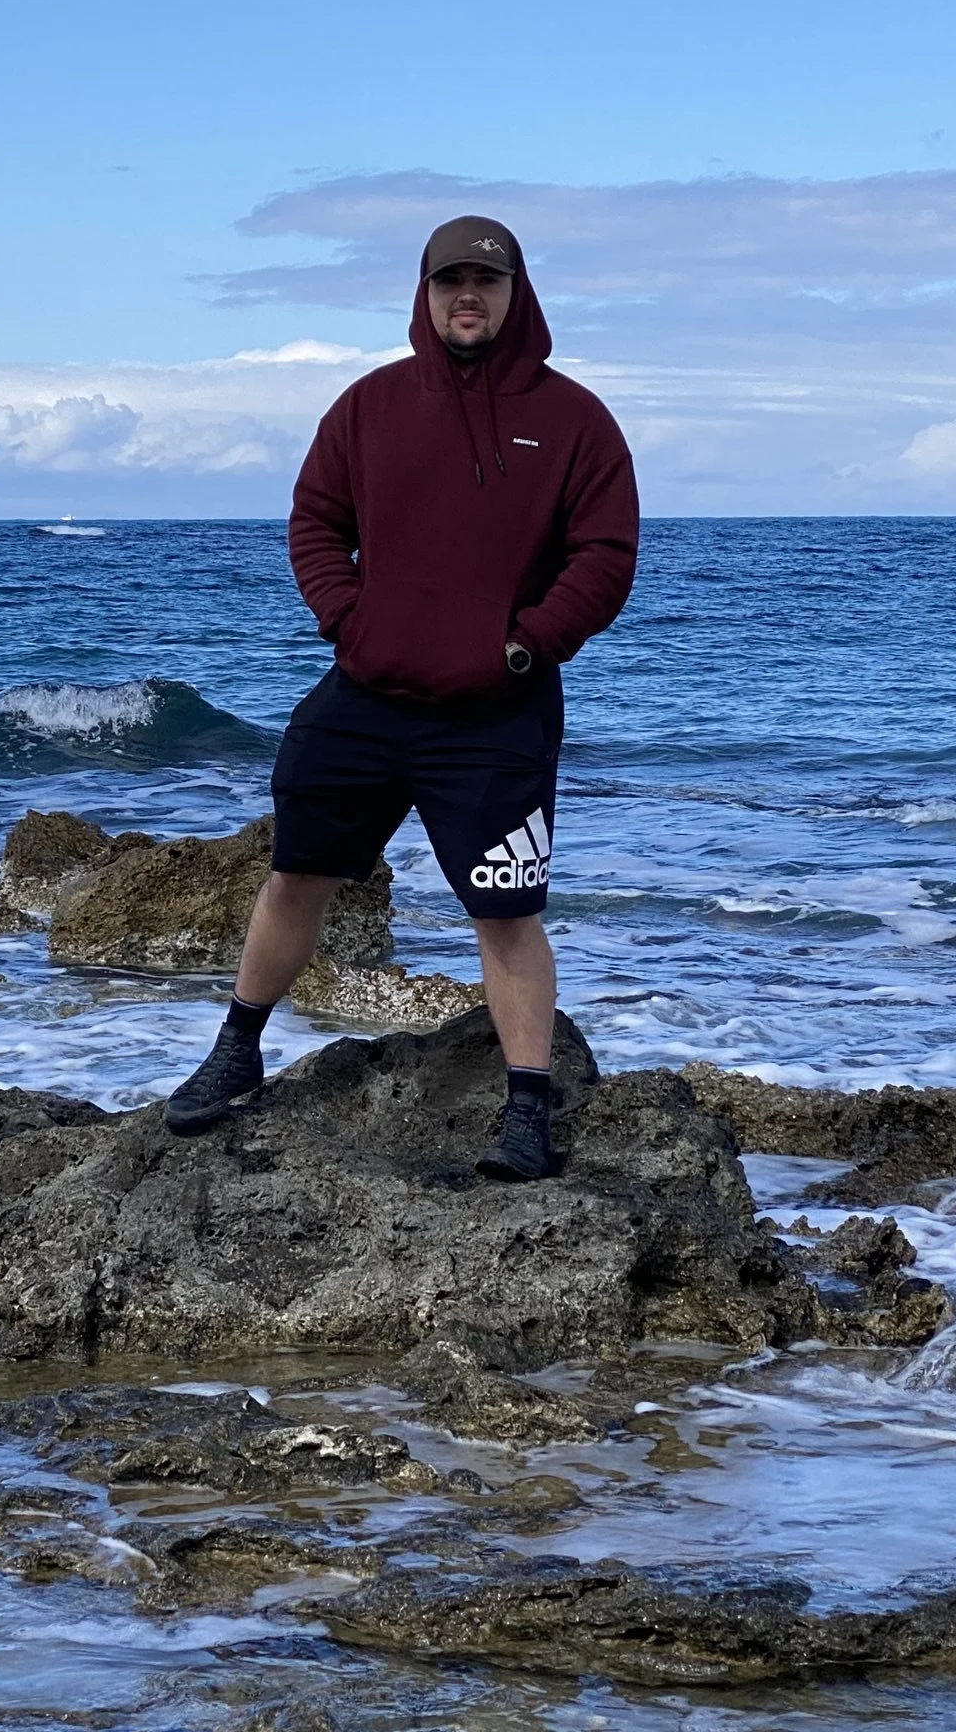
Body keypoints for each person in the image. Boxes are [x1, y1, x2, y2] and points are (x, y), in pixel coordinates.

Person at [165, 214, 639, 1179]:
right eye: (450, 281)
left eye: (488, 281)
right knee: (298, 871)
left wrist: (527, 647)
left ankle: (527, 1112)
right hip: (366, 697)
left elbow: (606, 555)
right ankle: (238, 1050)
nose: (469, 296)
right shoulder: (370, 405)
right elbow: (314, 522)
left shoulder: (575, 419)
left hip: (497, 710)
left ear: (518, 293)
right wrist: (351, 619)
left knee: (507, 910)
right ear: (425, 295)